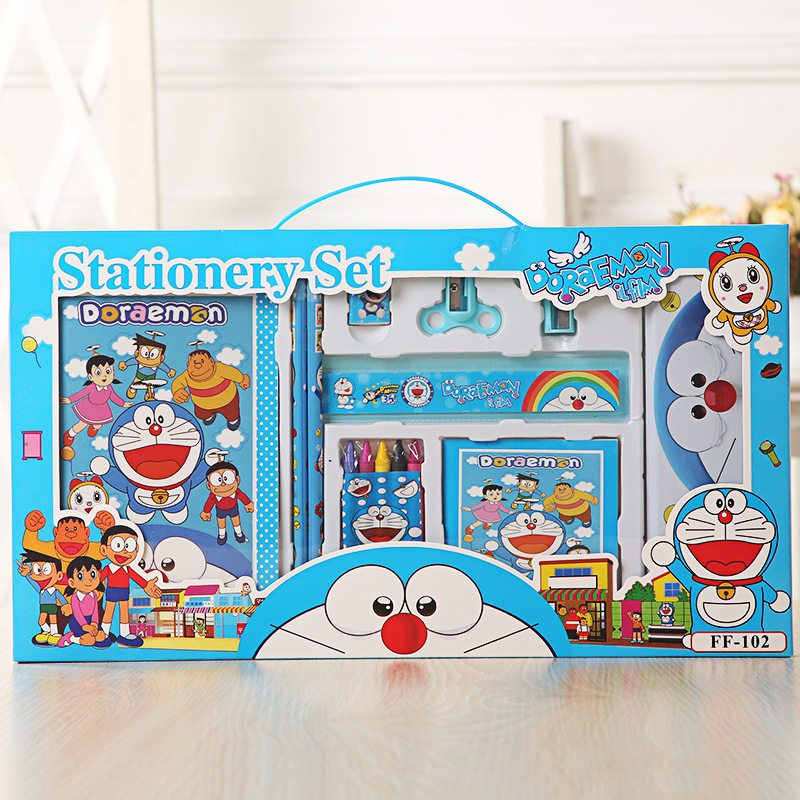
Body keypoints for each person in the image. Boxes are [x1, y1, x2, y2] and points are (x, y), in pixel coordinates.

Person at [171, 349, 250, 431]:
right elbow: (177, 383)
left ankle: (233, 420)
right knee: (201, 414)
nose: (198, 366)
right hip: (202, 405)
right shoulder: (186, 376)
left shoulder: (220, 368)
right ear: (188, 365)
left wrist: (242, 379)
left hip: (228, 401)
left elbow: (233, 373)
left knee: (232, 414)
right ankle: (209, 417)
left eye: (202, 361)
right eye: (194, 362)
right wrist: (177, 391)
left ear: (211, 361)